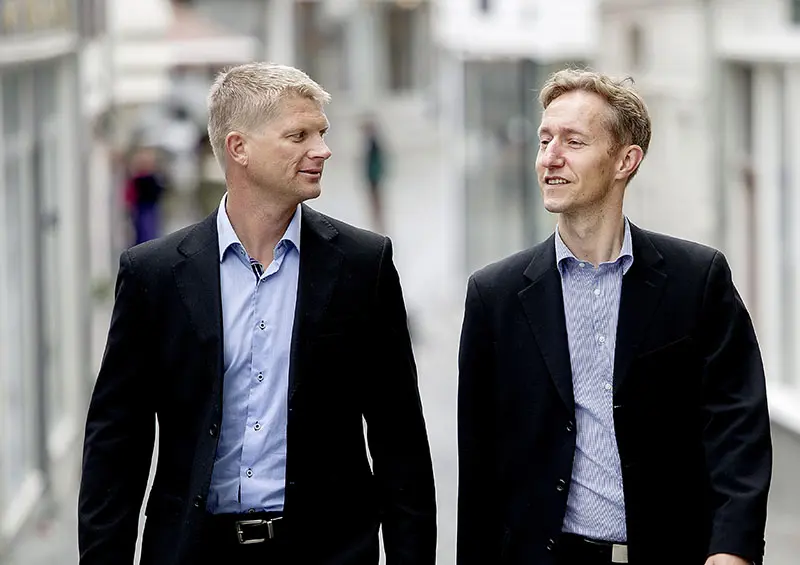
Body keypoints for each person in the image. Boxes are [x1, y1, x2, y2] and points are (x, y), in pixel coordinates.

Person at [79, 62, 436, 565]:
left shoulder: (363, 265)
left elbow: (400, 442)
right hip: (193, 552)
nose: (323, 150)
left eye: (322, 133)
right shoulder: (152, 275)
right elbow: (116, 445)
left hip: (327, 552)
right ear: (238, 148)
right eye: (299, 135)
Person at [457, 68, 771, 565]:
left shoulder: (697, 278)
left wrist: (732, 547)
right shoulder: (494, 295)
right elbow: (478, 469)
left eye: (573, 141)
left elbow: (738, 423)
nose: (549, 157)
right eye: (544, 140)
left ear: (626, 160)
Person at [361, 117, 387, 233]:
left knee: (375, 199)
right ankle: (377, 220)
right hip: (372, 176)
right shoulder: (372, 142)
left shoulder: (373, 143)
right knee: (374, 199)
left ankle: (378, 221)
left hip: (373, 177)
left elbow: (376, 161)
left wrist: (375, 174)